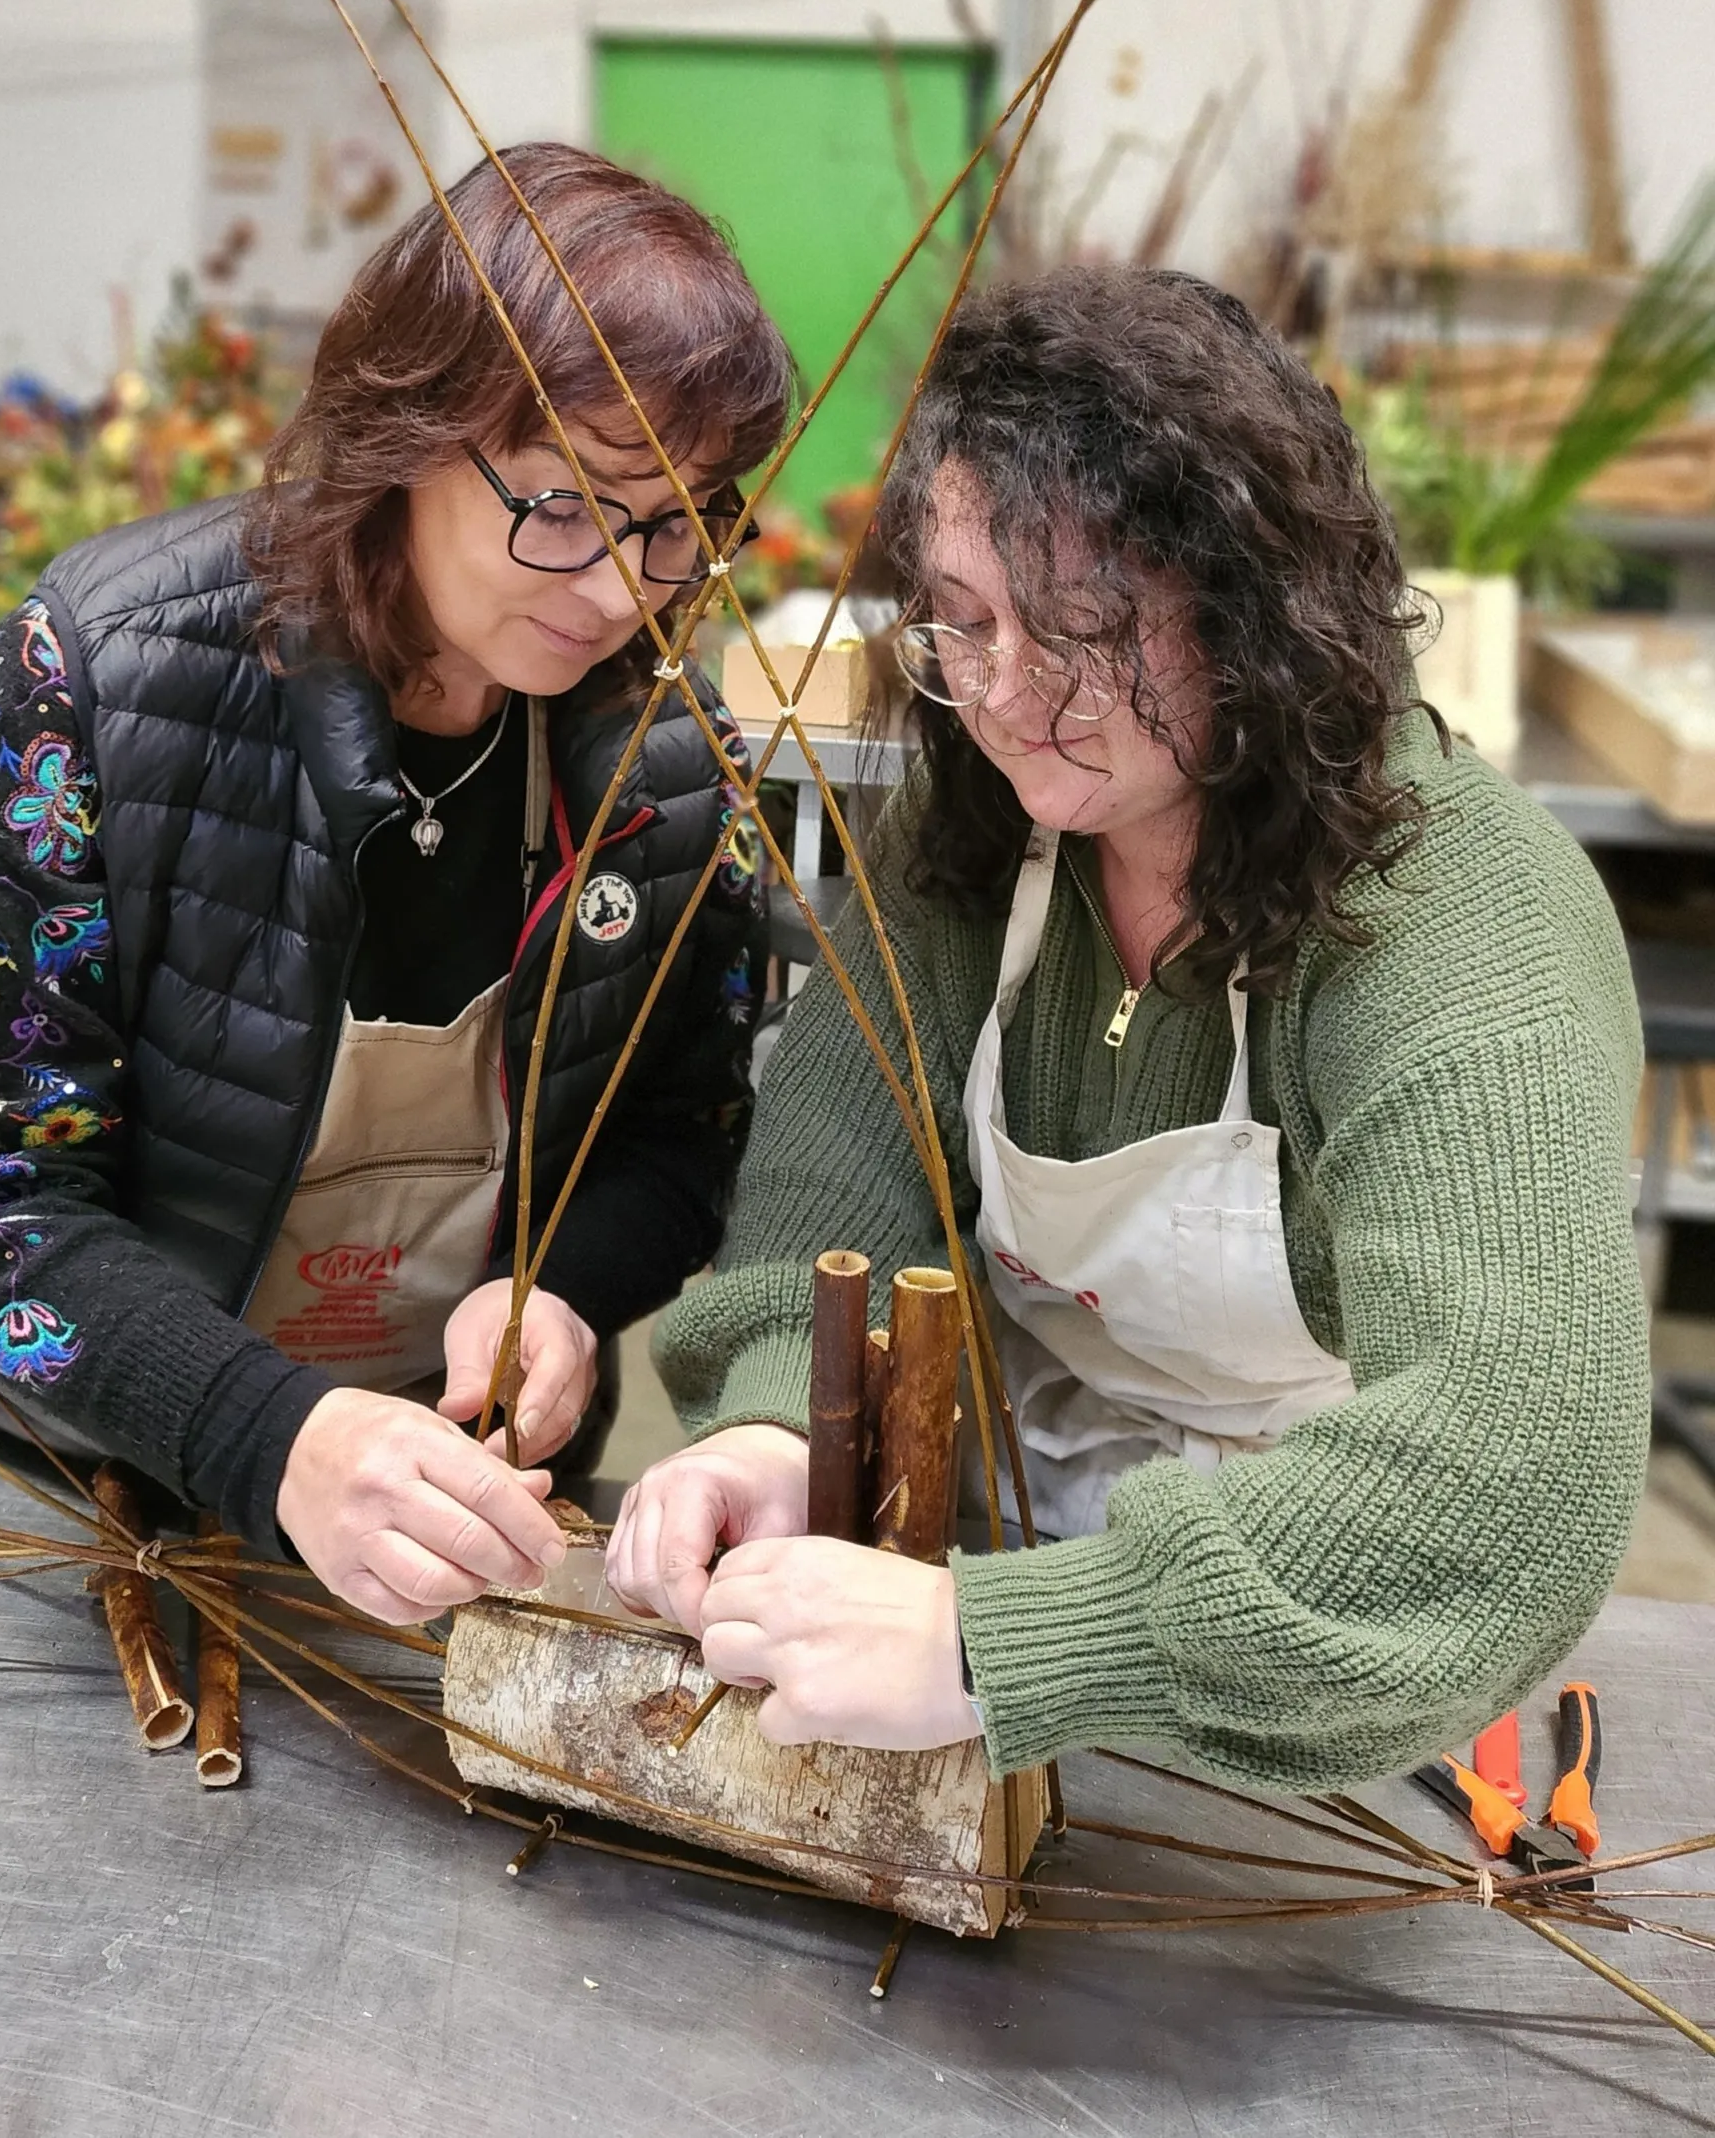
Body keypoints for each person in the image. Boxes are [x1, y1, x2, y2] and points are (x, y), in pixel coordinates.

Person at [605, 264, 1649, 1790]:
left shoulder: (1449, 917)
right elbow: (828, 1202)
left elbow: (1511, 1464)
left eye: (1085, 628)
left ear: (1256, 613)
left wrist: (1001, 1645)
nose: (1014, 697)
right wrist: (779, 1434)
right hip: (975, 1574)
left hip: (1317, 1658)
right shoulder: (980, 845)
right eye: (963, 624)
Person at [0, 143, 789, 1628]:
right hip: (50, 1477)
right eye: (565, 508)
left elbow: (681, 1128)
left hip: (439, 1510)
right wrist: (271, 1433)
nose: (619, 589)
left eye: (677, 524)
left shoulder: (663, 755)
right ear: (407, 430)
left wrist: (565, 1294)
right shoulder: (101, 679)